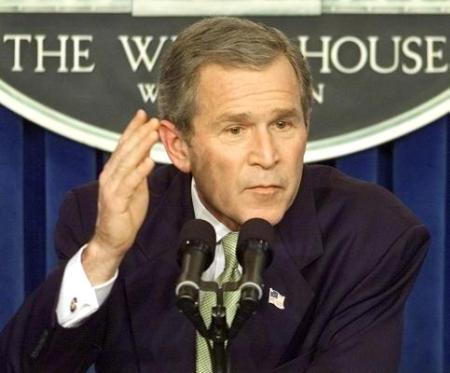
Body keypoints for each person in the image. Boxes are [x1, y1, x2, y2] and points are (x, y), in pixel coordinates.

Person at [0, 17, 429, 372]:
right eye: (235, 129)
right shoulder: (107, 218)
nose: (267, 156)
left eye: (283, 124)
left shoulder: (370, 234)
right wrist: (105, 254)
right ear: (178, 146)